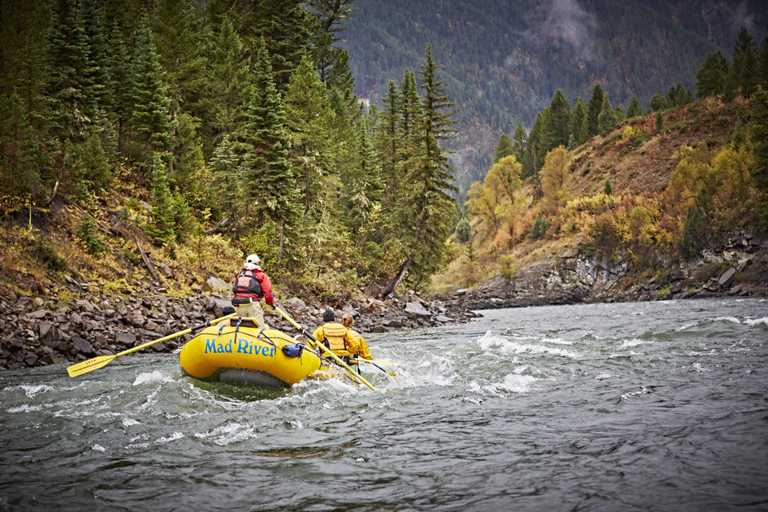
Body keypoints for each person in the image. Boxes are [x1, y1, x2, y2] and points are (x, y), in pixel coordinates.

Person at [231, 254, 273, 327]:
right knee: (259, 328)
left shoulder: (241, 274)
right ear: (257, 263)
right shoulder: (261, 275)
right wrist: (269, 302)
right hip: (253, 305)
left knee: (243, 328)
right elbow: (268, 291)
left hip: (239, 305)